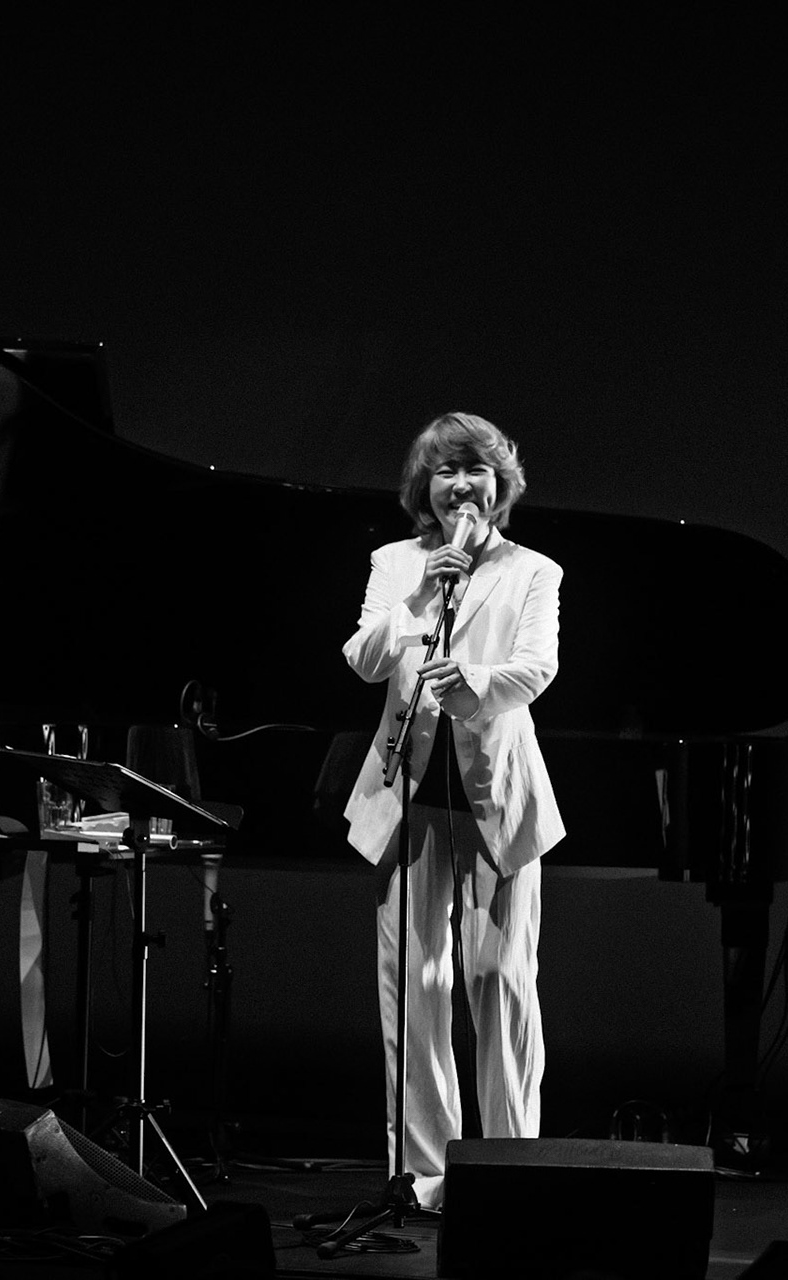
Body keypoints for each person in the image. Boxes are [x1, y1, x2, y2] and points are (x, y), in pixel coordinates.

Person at [342, 412, 564, 1210]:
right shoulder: (395, 561)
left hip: (496, 798)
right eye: (445, 472)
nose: (460, 485)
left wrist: (470, 688)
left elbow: (537, 668)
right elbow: (365, 660)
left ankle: (511, 1175)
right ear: (423, 488)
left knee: (498, 980)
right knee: (413, 984)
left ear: (499, 487)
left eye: (476, 471)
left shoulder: (534, 571)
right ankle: (424, 1179)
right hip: (404, 797)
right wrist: (418, 597)